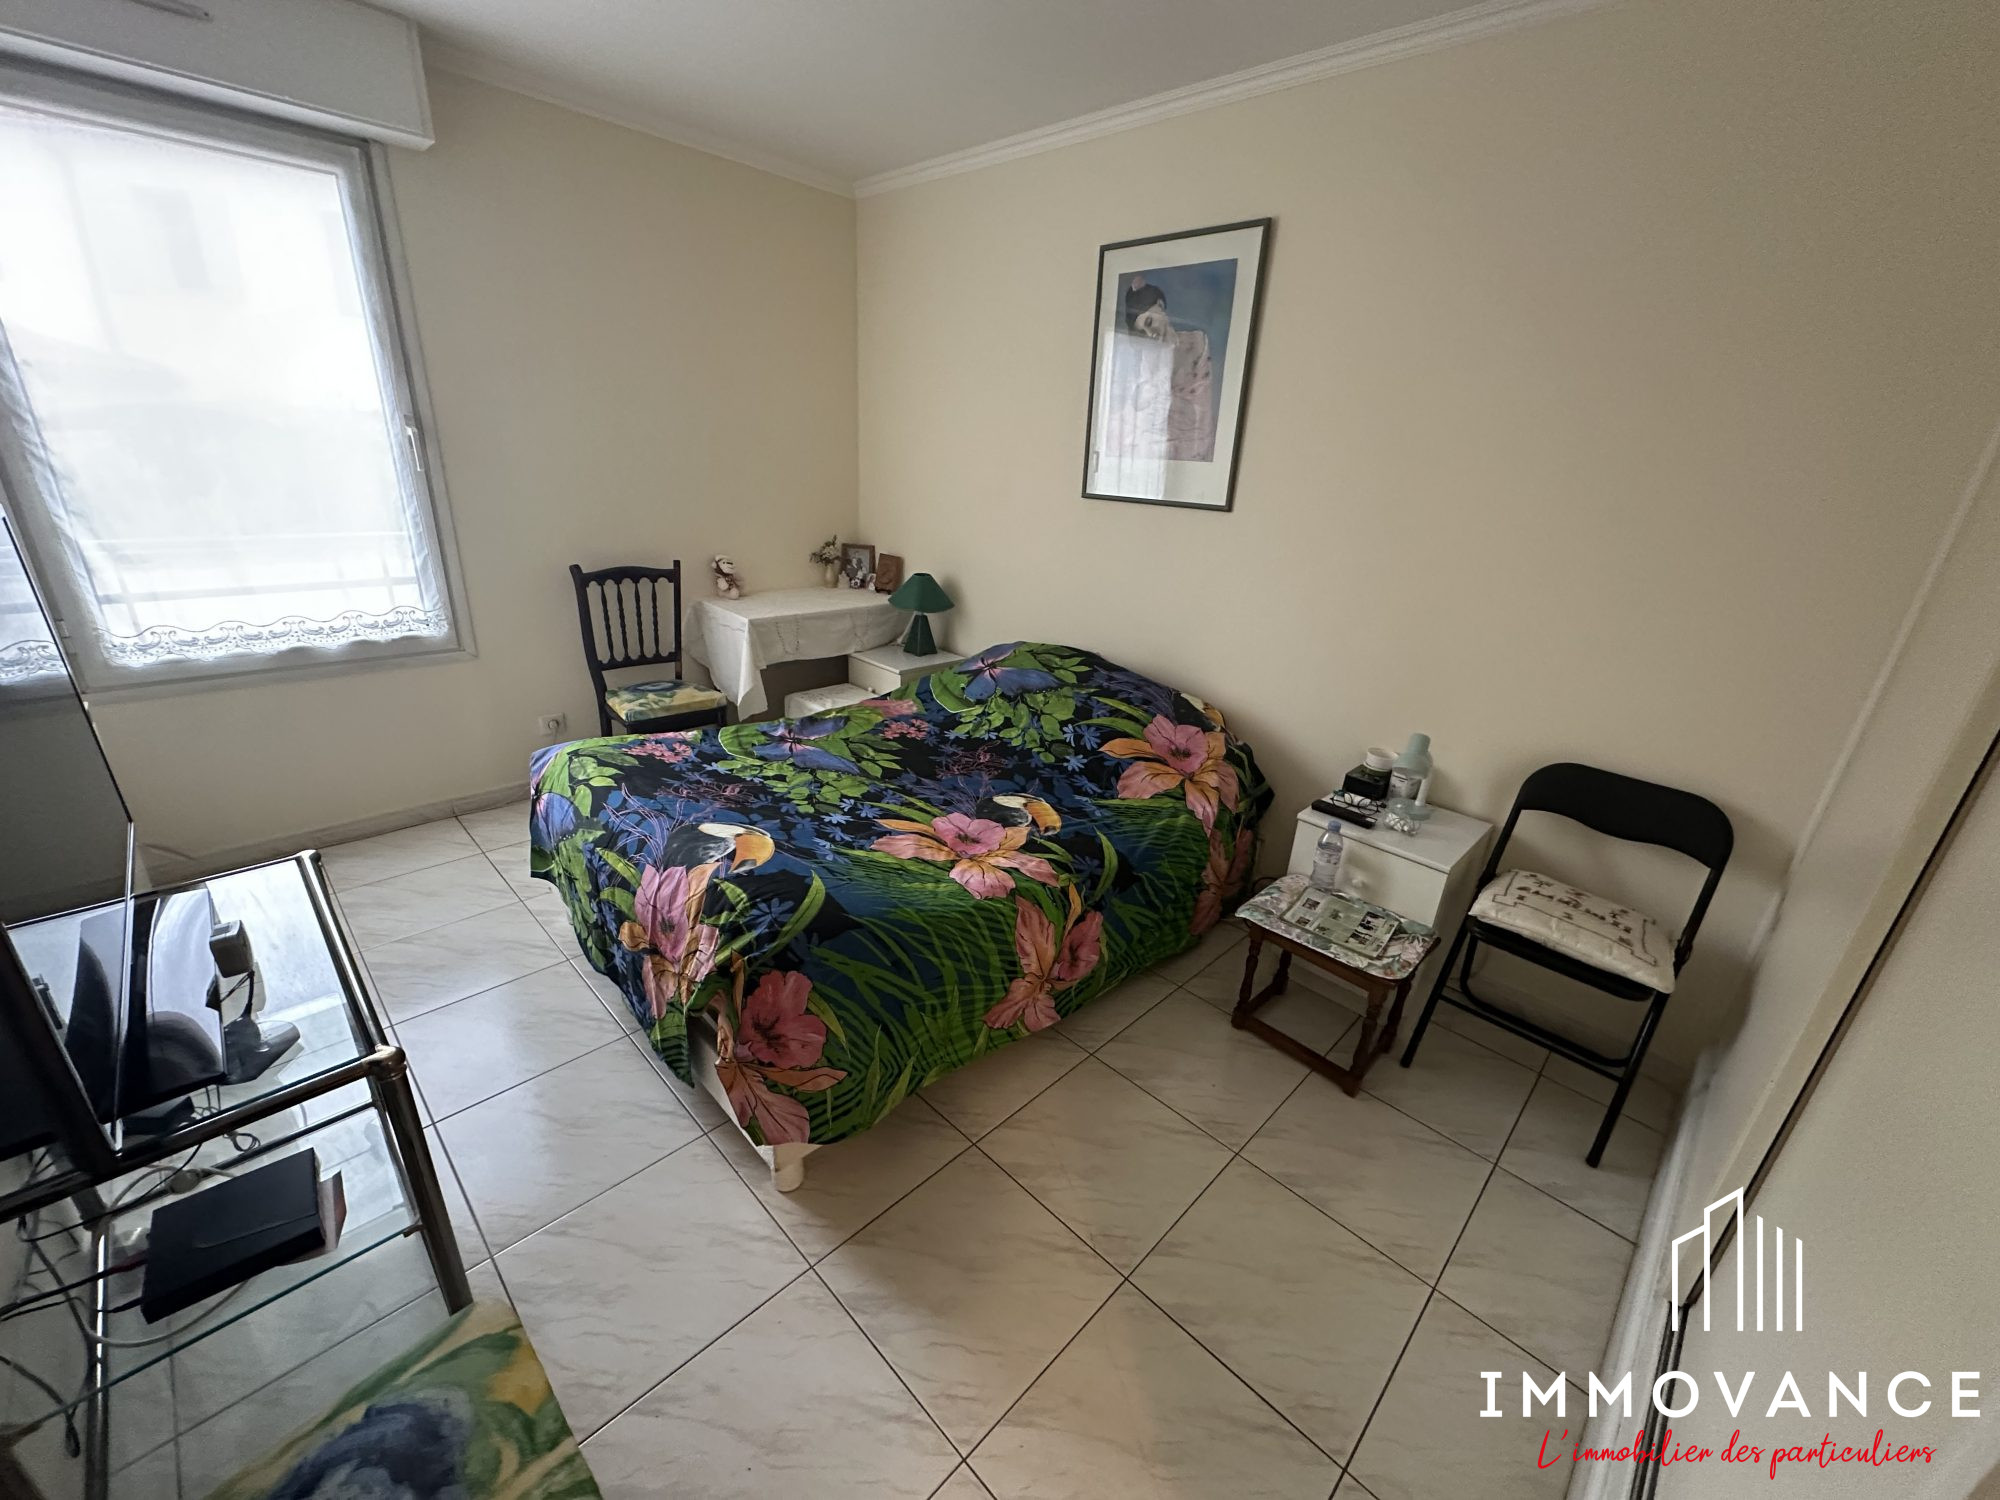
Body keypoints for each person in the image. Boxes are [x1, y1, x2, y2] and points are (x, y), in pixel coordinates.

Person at [1100, 275, 1216, 464]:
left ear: (1160, 306)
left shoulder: (1197, 342)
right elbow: (1141, 407)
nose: (1150, 334)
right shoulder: (1146, 359)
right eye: (1142, 332)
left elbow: (1202, 406)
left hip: (1190, 438)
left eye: (1149, 322)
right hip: (1152, 439)